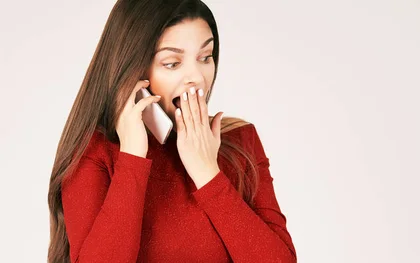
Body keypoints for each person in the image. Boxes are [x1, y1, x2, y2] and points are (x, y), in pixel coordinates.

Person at [46, 0, 297, 262]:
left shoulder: (239, 139)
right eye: (172, 63)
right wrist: (132, 158)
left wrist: (207, 173)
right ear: (133, 72)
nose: (197, 77)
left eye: (205, 58)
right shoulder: (95, 152)